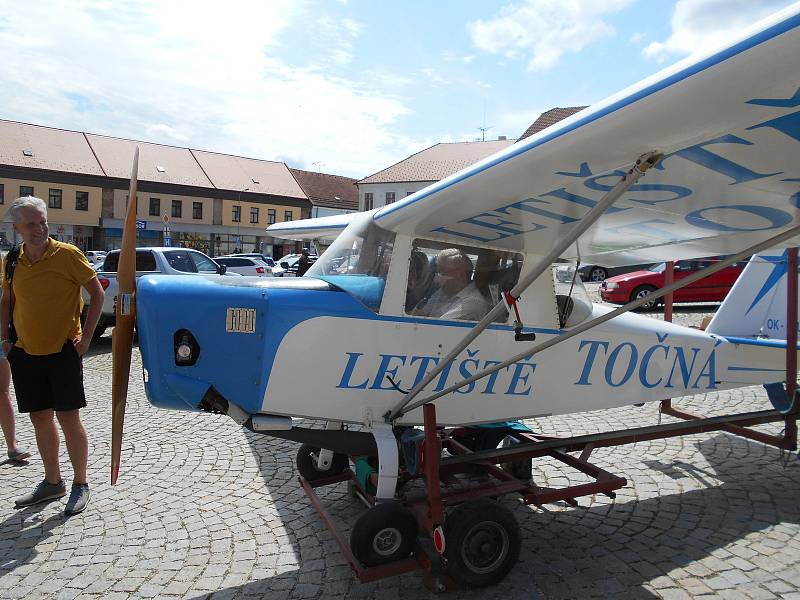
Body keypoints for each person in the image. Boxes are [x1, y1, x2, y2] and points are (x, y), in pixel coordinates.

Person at [1, 196, 105, 516]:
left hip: (63, 351)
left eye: (43, 221)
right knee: (40, 418)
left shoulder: (67, 255)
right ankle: (52, 482)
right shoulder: (13, 259)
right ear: (16, 228)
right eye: (31, 223)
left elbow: (97, 293)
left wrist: (87, 338)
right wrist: (6, 339)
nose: (39, 228)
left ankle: (80, 483)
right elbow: (8, 297)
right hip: (25, 352)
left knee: (68, 418)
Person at [414, 248, 490, 321]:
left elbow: (436, 327)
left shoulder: (473, 303)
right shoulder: (443, 292)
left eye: (442, 273)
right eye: (437, 273)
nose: (437, 279)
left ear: (461, 275)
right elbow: (419, 314)